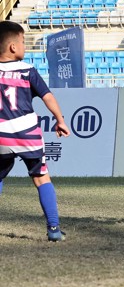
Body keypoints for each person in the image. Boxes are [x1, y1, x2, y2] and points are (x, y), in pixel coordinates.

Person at [0, 21, 70, 242]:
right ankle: (54, 228)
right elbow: (47, 96)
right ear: (12, 47)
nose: (24, 46)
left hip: (1, 135)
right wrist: (60, 120)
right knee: (41, 178)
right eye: (22, 41)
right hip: (27, 133)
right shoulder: (27, 70)